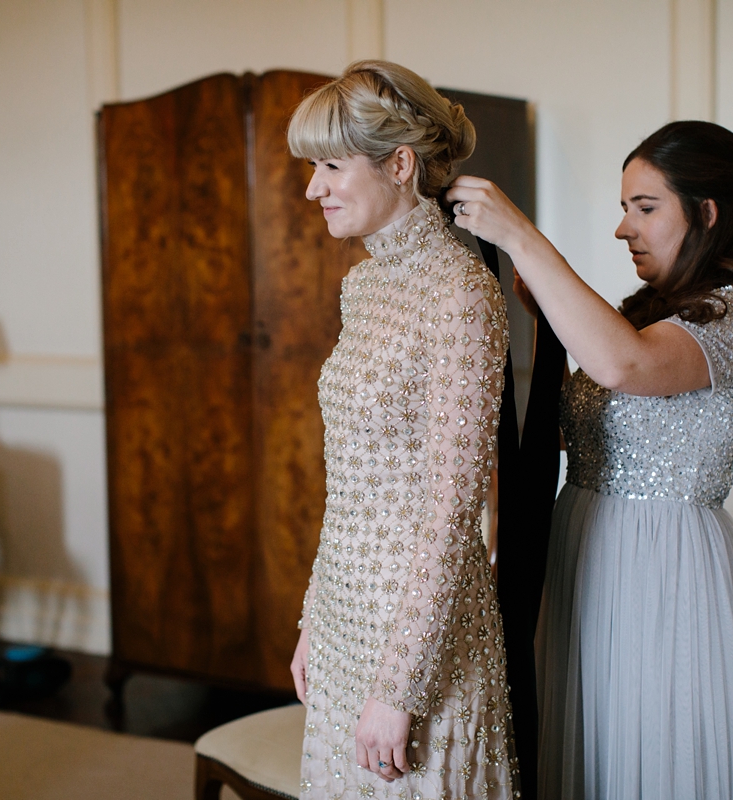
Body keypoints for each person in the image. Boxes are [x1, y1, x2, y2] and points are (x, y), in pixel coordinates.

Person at [446, 120, 733, 800]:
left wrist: (522, 237)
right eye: (625, 208)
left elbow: (623, 365)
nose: (624, 229)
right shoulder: (644, 313)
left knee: (654, 744)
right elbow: (582, 419)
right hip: (587, 547)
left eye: (645, 207)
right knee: (591, 741)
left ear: (707, 213)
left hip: (665, 562)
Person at [287, 61, 519, 799]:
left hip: (420, 633)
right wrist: (310, 620)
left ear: (400, 163)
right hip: (344, 608)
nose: (311, 188)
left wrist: (400, 687)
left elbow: (456, 508)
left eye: (328, 165)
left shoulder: (461, 293)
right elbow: (351, 480)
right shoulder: (364, 283)